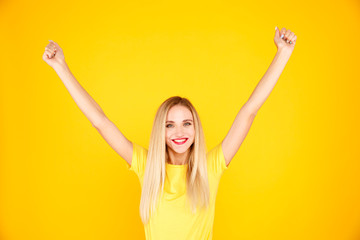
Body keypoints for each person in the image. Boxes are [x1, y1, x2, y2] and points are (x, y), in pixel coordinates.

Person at [42, 26, 297, 240]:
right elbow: (100, 122)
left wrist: (283, 54)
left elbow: (248, 112)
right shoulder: (146, 165)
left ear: (196, 129)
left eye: (187, 123)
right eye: (169, 124)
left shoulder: (211, 168)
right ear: (160, 131)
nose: (179, 131)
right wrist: (60, 66)